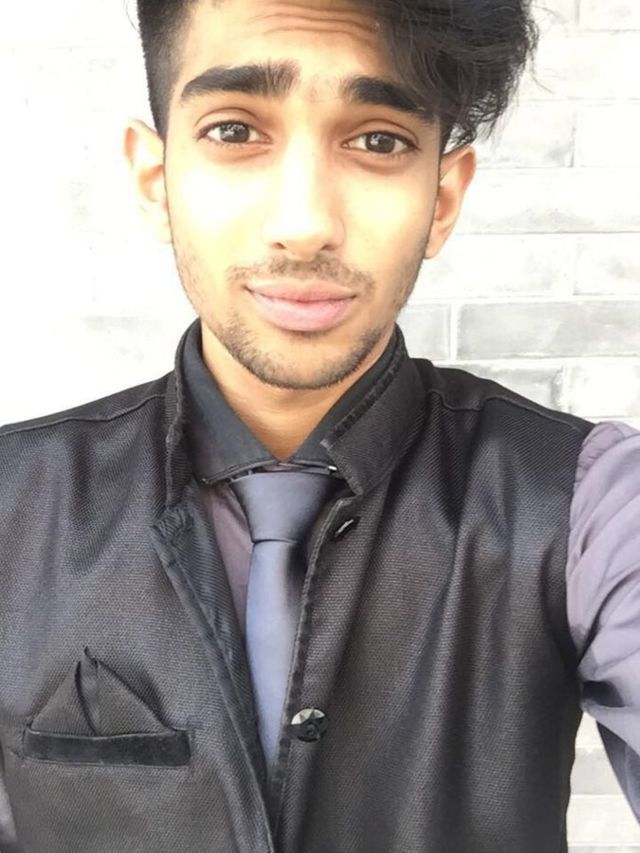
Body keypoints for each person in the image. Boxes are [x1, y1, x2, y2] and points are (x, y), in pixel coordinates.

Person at [0, 0, 638, 850]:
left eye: (378, 140)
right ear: (156, 181)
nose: (304, 224)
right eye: (234, 131)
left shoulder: (591, 503)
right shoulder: (13, 501)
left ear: (443, 198)